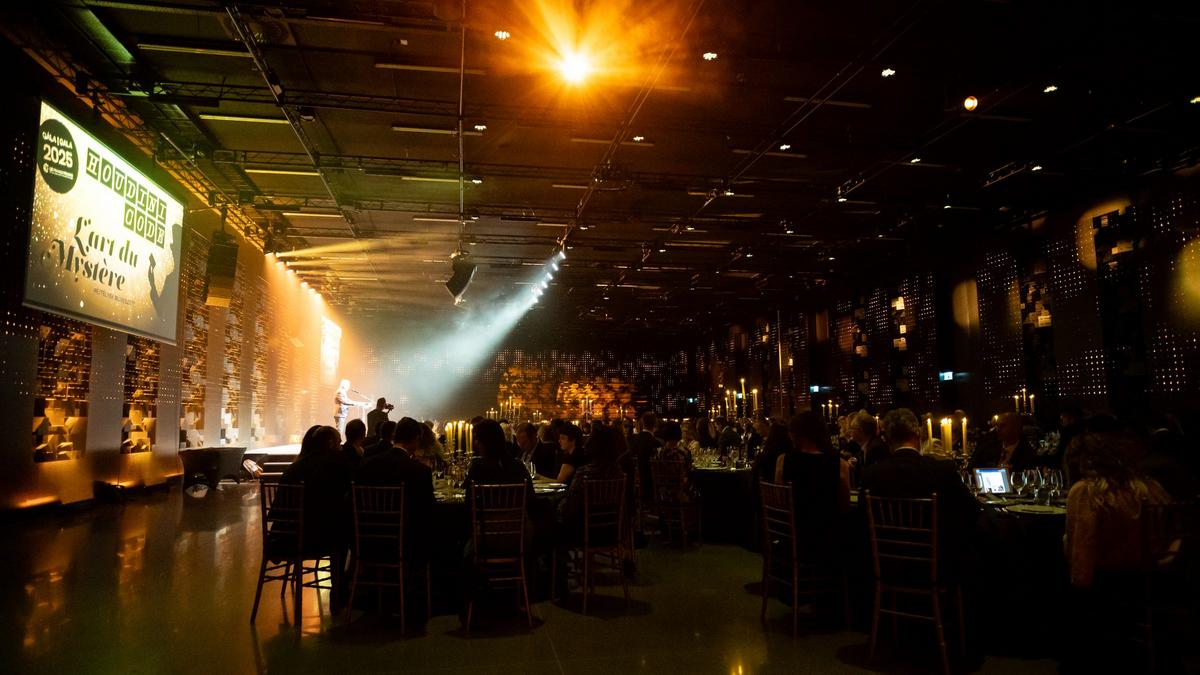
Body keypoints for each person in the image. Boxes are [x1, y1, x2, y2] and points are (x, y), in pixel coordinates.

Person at [1062, 432, 1172, 673]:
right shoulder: (1150, 488)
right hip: (1154, 580)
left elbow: (1082, 556)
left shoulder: (1086, 493)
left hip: (1107, 585)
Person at [862, 408, 981, 577]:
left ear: (887, 439)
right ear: (917, 435)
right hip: (939, 565)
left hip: (889, 565)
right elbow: (972, 511)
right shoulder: (942, 470)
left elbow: (863, 520)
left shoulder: (872, 474)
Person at [354, 417, 435, 571]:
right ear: (416, 438)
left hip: (367, 540)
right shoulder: (420, 471)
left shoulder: (366, 464)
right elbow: (429, 509)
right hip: (405, 543)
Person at [773, 412, 850, 565]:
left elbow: (779, 502)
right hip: (829, 536)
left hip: (794, 535)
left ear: (797, 434)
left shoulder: (783, 461)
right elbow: (844, 505)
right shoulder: (839, 464)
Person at [281, 425, 352, 574]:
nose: (341, 448)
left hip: (287, 537)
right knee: (346, 532)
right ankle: (342, 583)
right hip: (317, 536)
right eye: (339, 443)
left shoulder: (294, 468)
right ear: (331, 443)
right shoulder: (334, 465)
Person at [463, 419, 534, 511]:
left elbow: (468, 501)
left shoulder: (477, 467)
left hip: (485, 518)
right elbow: (530, 496)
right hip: (516, 518)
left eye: (478, 439)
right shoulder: (518, 466)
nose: (475, 443)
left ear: (486, 441)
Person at [971, 412, 1036, 472]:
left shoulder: (1028, 453)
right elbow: (970, 469)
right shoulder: (987, 448)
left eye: (1002, 426)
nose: (998, 429)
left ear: (1016, 428)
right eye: (997, 425)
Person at [629, 412, 661, 503]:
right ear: (655, 424)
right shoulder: (655, 442)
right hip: (652, 477)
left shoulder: (634, 439)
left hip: (638, 475)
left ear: (643, 423)